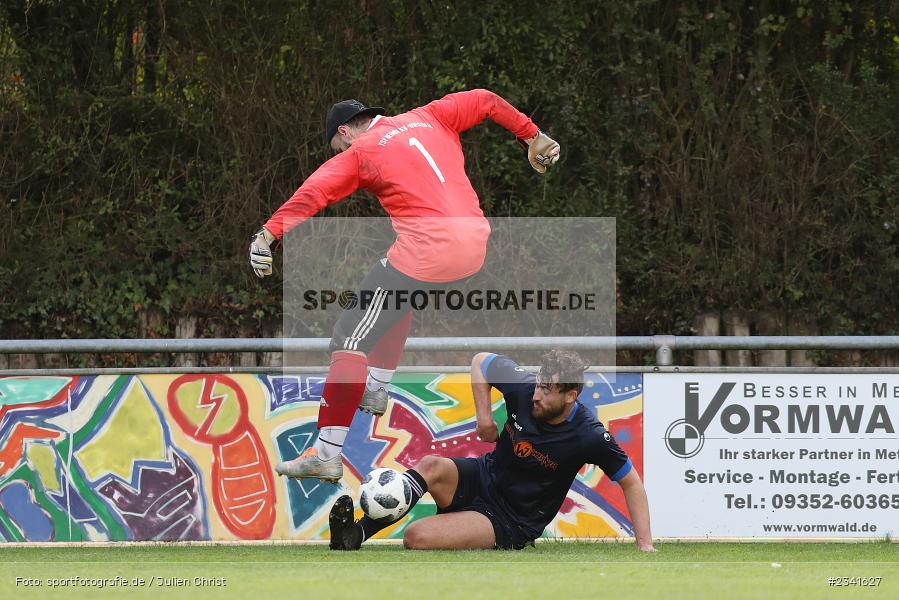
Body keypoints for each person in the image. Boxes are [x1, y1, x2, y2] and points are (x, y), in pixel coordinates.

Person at [249, 90, 561, 482]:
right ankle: (376, 387)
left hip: (429, 252)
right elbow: (485, 100)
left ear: (345, 132)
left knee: (348, 340)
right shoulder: (431, 115)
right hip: (474, 246)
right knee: (395, 293)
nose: (340, 154)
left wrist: (269, 233)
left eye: (337, 148)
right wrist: (532, 135)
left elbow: (316, 191)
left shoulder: (362, 153)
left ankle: (326, 453)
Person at [327, 350, 655, 551]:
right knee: (430, 465)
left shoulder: (589, 435)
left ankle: (458, 528)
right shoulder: (525, 390)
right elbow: (481, 361)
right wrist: (484, 417)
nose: (537, 395)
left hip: (511, 520)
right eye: (539, 384)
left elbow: (631, 483)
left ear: (571, 396)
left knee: (416, 536)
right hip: (484, 476)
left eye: (547, 391)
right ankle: (355, 534)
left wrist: (645, 545)